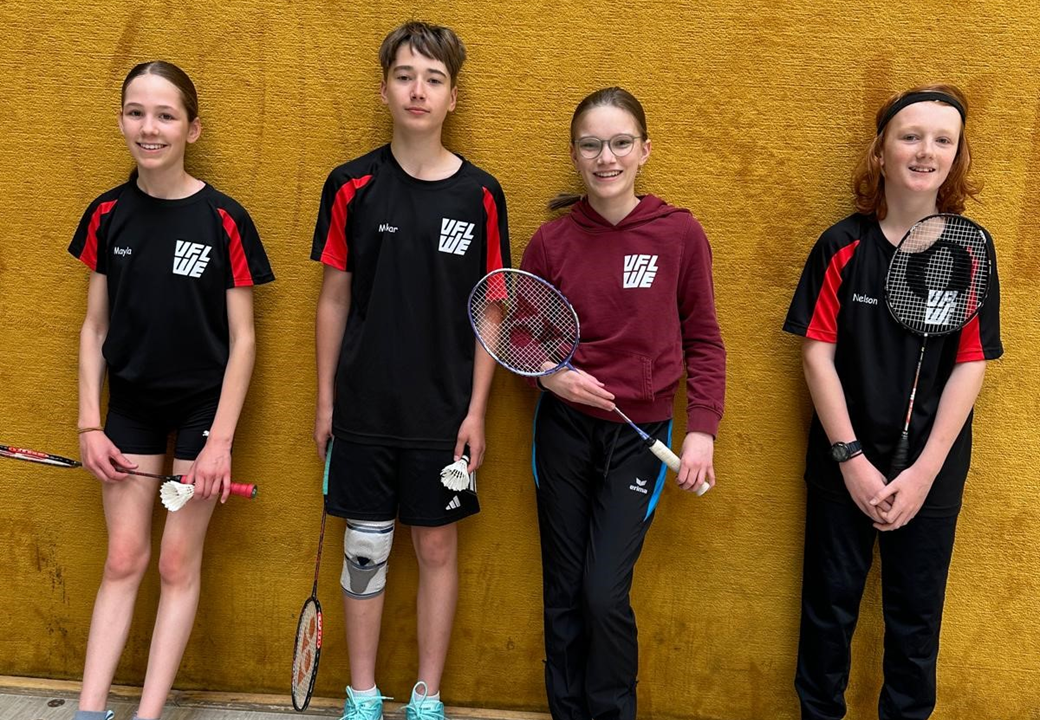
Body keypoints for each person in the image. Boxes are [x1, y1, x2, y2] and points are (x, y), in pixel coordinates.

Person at [310, 21, 510, 720]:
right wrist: (326, 400)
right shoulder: (351, 185)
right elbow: (334, 297)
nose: (417, 90)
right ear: (385, 88)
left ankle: (428, 697)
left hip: (444, 412)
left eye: (432, 78)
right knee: (364, 551)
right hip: (363, 407)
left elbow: (493, 310)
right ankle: (362, 695)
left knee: (435, 548)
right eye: (404, 75)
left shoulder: (482, 195)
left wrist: (477, 409)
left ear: (453, 96)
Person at [783, 84, 1002, 720]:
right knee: (827, 613)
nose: (924, 151)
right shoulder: (842, 245)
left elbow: (971, 361)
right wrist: (850, 457)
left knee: (914, 622)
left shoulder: (973, 249)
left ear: (956, 157)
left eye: (943, 140)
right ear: (881, 152)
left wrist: (925, 470)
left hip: (929, 470)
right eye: (910, 136)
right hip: (841, 463)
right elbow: (816, 354)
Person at [68, 61, 274, 720]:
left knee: (176, 567)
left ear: (192, 127)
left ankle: (148, 715)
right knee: (124, 558)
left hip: (201, 415)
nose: (148, 127)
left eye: (164, 115)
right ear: (122, 119)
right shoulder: (106, 214)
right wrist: (87, 425)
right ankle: (89, 710)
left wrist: (218, 442)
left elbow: (243, 340)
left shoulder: (225, 219)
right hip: (127, 407)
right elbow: (94, 326)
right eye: (136, 112)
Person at [519, 87, 726, 720]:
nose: (605, 157)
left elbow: (704, 337)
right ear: (575, 155)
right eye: (590, 145)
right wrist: (552, 377)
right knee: (564, 589)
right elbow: (520, 336)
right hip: (563, 431)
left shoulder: (679, 233)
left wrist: (702, 432)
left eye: (619, 143)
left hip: (641, 436)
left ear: (643, 150)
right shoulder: (551, 242)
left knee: (603, 593)